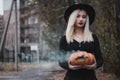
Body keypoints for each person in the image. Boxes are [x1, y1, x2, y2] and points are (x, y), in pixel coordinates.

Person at [59, 3, 103, 80]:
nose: (81, 19)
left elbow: (100, 59)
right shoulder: (65, 39)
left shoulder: (93, 37)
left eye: (84, 17)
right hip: (71, 77)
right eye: (77, 16)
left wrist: (95, 65)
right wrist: (69, 65)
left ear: (86, 19)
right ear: (72, 19)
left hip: (90, 77)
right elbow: (61, 60)